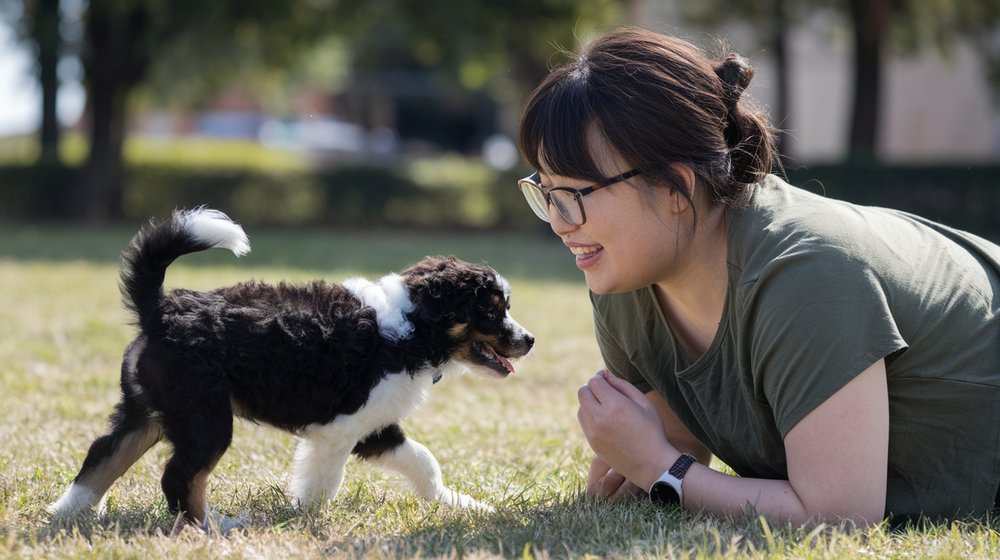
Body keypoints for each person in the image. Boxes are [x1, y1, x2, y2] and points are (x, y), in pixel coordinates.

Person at [515, 26, 1000, 527]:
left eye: (574, 193)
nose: (558, 221)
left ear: (675, 188)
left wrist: (659, 468)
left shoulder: (808, 273)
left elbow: (841, 517)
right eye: (545, 192)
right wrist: (640, 465)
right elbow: (680, 438)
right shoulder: (626, 276)